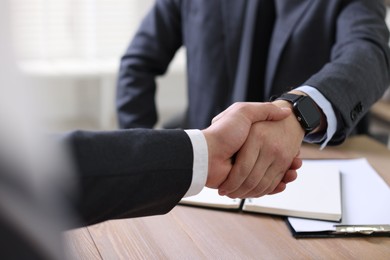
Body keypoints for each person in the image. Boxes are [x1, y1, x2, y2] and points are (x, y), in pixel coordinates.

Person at [0, 2, 300, 258]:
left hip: (302, 165)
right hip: (204, 190)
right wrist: (146, 154)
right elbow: (138, 62)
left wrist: (299, 115)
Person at [116, 0, 390, 198]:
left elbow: (370, 53)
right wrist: (144, 163)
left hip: (312, 175)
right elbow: (138, 63)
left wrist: (298, 113)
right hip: (207, 177)